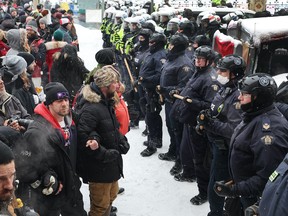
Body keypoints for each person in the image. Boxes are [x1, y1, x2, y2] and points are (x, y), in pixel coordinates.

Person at [214, 73, 288, 215]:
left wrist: (235, 190)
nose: (239, 97)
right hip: (243, 192)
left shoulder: (269, 131)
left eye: (244, 95)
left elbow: (267, 178)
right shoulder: (254, 114)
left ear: (258, 98)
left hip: (253, 199)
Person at [14, 82, 87, 215]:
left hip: (73, 191)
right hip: (50, 199)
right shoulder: (36, 131)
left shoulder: (71, 119)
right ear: (49, 104)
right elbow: (23, 167)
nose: (64, 104)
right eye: (59, 101)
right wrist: (44, 183)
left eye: (66, 100)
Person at [76, 67, 130, 216]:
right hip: (99, 167)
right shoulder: (91, 108)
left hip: (111, 164)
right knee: (100, 207)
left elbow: (111, 127)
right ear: (104, 86)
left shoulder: (105, 101)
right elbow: (83, 137)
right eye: (114, 83)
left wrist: (121, 140)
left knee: (111, 196)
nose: (117, 86)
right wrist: (104, 154)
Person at [197, 54, 246, 215]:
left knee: (218, 185)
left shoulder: (237, 94)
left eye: (223, 71)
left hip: (225, 148)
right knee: (212, 179)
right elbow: (217, 110)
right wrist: (206, 119)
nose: (218, 73)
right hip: (215, 144)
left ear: (234, 73)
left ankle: (216, 213)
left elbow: (233, 129)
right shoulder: (226, 87)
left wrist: (211, 124)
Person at [139, 33, 167, 156]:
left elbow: (160, 75)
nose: (150, 44)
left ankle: (153, 144)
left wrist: (146, 79)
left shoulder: (161, 56)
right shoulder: (151, 53)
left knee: (152, 116)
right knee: (151, 114)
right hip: (147, 89)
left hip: (154, 90)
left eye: (152, 42)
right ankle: (157, 139)